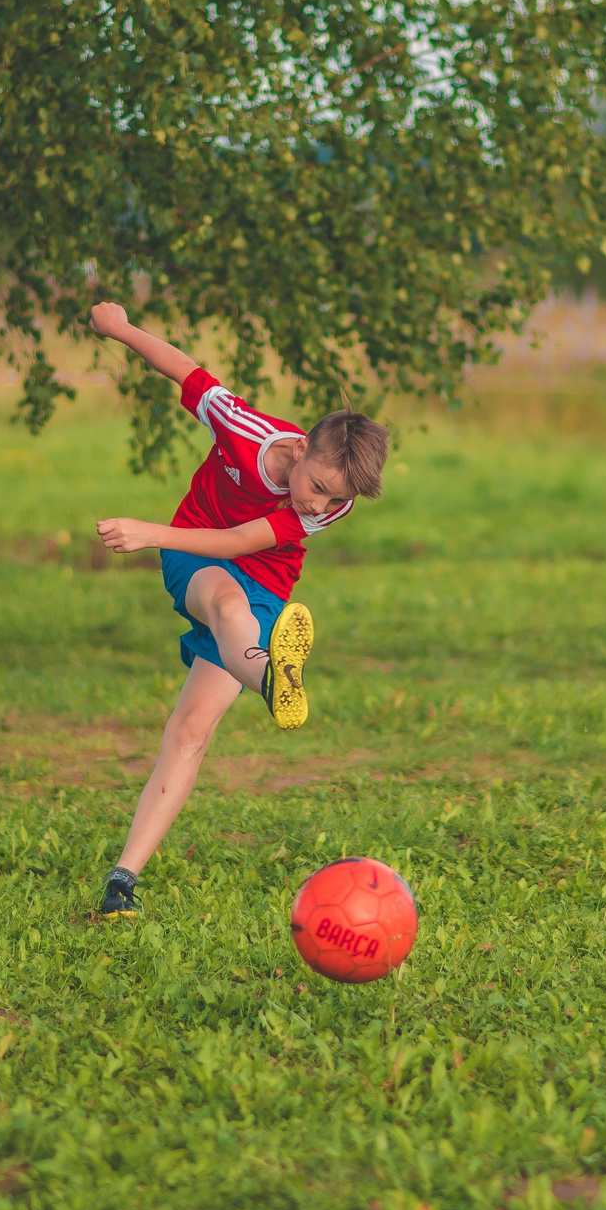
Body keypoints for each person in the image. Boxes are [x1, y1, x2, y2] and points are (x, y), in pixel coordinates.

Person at [82, 301, 390, 921]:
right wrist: (119, 329)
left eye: (334, 499)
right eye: (317, 486)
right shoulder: (246, 431)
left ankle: (122, 881)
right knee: (223, 600)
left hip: (261, 578)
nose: (318, 506)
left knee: (190, 731)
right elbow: (187, 371)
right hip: (193, 557)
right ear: (300, 449)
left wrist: (147, 531)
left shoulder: (333, 503)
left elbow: (244, 544)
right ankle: (274, 676)